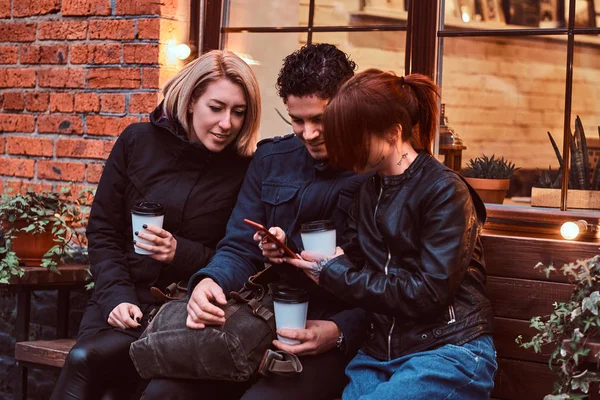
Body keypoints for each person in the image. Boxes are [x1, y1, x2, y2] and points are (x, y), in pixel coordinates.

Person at [142, 43, 370, 400]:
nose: (308, 133)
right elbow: (236, 245)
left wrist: (339, 331)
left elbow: (393, 282)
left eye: (320, 120)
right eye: (297, 120)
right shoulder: (271, 159)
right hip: (254, 321)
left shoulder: (376, 169)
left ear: (348, 106)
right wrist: (208, 282)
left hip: (330, 334)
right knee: (163, 393)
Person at [50, 50, 261, 400]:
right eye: (216, 108)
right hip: (118, 303)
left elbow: (236, 256)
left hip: (181, 314)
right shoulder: (138, 141)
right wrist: (116, 298)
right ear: (192, 101)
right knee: (90, 364)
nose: (227, 123)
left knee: (118, 379)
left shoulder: (242, 170)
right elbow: (103, 231)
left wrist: (180, 253)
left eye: (238, 112)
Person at [283, 70, 498, 399]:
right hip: (377, 356)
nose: (342, 151)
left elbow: (428, 292)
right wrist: (309, 258)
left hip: (447, 351)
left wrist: (337, 273)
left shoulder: (444, 191)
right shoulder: (368, 189)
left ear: (394, 132)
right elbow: (359, 267)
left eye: (353, 139)